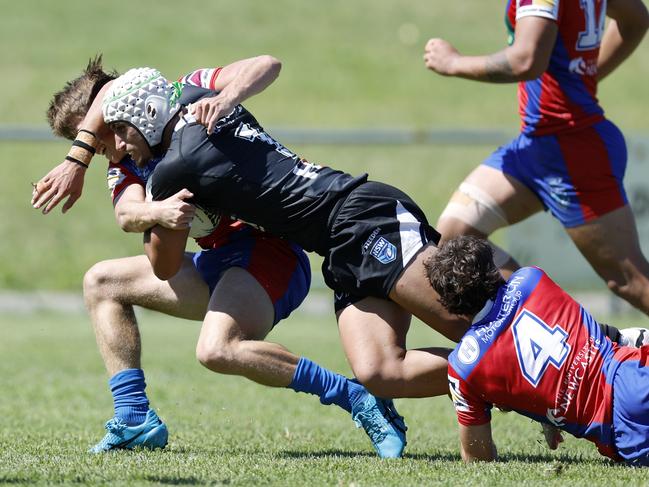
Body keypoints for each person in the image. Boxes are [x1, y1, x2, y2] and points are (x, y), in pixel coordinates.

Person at [41, 56, 408, 458]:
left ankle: (356, 397)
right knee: (101, 282)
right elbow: (127, 214)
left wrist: (228, 97)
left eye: (95, 136)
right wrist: (157, 212)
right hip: (216, 260)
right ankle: (133, 419)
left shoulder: (185, 95)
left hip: (269, 252)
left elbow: (266, 64)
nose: (98, 149)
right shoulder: (125, 164)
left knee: (217, 350)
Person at [424, 0, 649, 318]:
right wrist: (583, 78)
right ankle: (552, 330)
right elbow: (636, 18)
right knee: (455, 237)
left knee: (631, 282)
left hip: (571, 147)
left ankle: (568, 337)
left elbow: (526, 59)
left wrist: (453, 62)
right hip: (537, 145)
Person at [426, 235, 649, 466]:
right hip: (634, 371)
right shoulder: (531, 278)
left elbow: (477, 456)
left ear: (448, 304)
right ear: (492, 269)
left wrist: (544, 409)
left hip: (619, 428)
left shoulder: (463, 368)